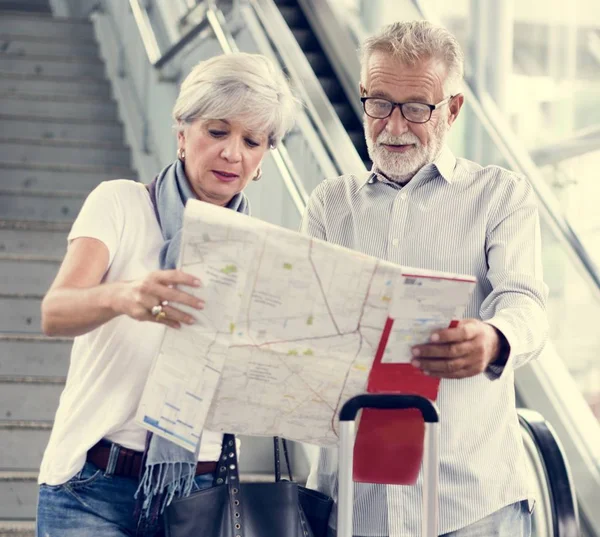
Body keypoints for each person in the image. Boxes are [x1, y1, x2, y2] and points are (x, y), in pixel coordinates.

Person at [301, 21, 548, 537]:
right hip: (358, 501)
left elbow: (524, 301)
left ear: (452, 109)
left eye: (416, 108)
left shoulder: (500, 195)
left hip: (472, 502)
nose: (393, 126)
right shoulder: (330, 203)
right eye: (379, 103)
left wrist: (494, 338)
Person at [37, 52, 297, 537]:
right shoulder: (120, 203)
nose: (232, 153)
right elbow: (55, 312)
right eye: (217, 131)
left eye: (251, 140)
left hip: (198, 497)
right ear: (183, 134)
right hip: (91, 488)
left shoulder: (263, 249)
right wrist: (123, 296)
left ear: (263, 158)